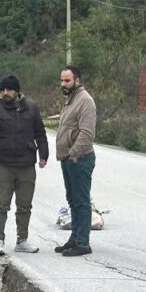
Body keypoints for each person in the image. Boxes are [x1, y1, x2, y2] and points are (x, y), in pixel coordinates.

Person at [0, 75, 49, 256]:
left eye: (9, 90)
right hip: (4, 164)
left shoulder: (31, 108)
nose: (5, 93)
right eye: (3, 90)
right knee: (1, 204)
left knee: (25, 205)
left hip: (26, 164)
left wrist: (44, 154)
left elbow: (40, 133)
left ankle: (22, 240)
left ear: (17, 91)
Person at [54, 65, 97, 257]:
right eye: (62, 80)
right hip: (68, 158)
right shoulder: (70, 100)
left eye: (67, 80)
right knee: (72, 200)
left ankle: (82, 242)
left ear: (77, 81)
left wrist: (73, 153)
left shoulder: (85, 101)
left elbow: (87, 133)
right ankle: (74, 238)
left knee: (81, 201)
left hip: (80, 158)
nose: (63, 84)